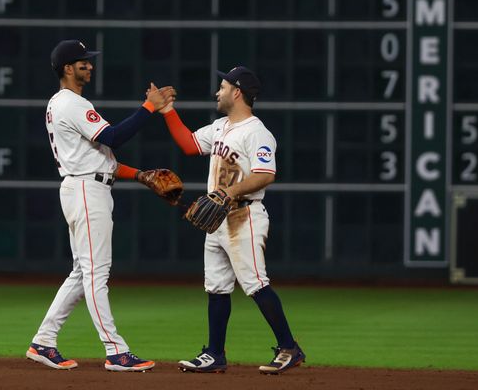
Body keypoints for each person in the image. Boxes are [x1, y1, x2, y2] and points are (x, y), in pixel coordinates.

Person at [26, 39, 175, 372]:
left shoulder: (62, 103)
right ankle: (116, 351)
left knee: (82, 272)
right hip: (85, 190)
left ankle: (43, 342)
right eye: (83, 61)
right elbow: (113, 138)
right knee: (96, 274)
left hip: (85, 186)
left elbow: (98, 157)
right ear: (67, 68)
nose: (90, 65)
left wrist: (138, 174)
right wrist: (149, 107)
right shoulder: (71, 104)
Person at [159, 66, 305, 375]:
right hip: (218, 218)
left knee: (255, 284)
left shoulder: (257, 132)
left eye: (223, 86)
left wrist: (230, 192)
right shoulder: (220, 127)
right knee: (216, 287)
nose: (217, 92)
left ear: (237, 92)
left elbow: (266, 174)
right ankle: (214, 354)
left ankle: (290, 347)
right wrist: (167, 111)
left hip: (244, 216)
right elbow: (188, 144)